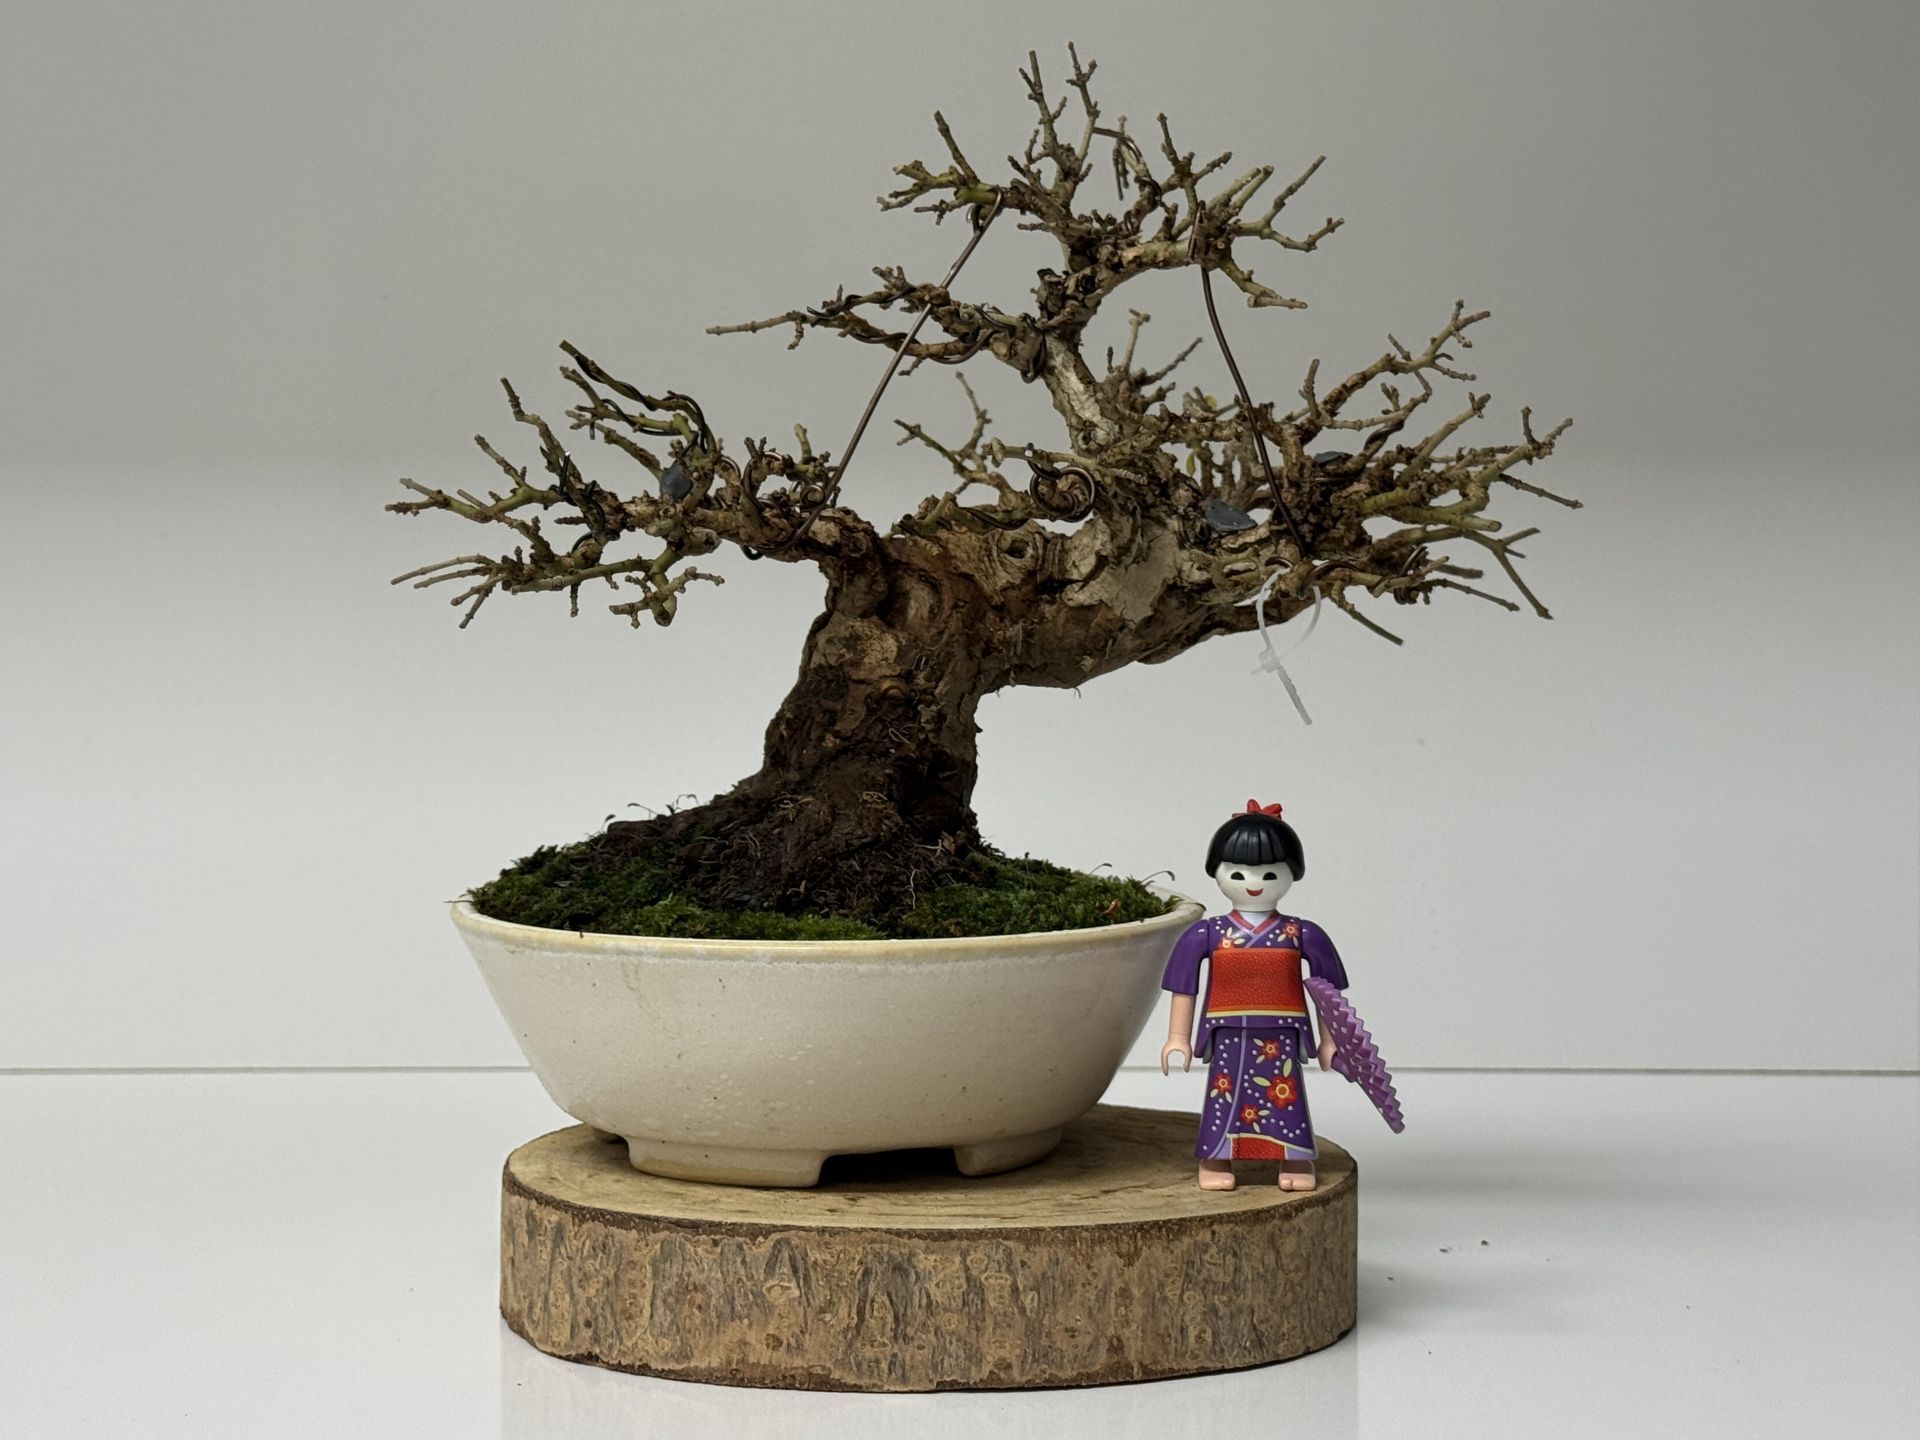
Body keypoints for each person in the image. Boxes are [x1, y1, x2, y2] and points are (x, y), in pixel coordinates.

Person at [1159, 801, 1348, 1191]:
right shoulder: (1208, 933)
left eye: (1269, 873)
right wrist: (1177, 1038)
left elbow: (1326, 992)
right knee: (1224, 1094)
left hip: (1282, 1032)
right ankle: (1217, 1157)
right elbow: (1184, 986)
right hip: (1228, 1031)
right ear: (1217, 872)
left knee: (1285, 1094)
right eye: (1238, 873)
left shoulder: (1301, 933)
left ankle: (1293, 1157)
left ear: (1291, 874)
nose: (1254, 883)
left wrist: (1331, 1041)